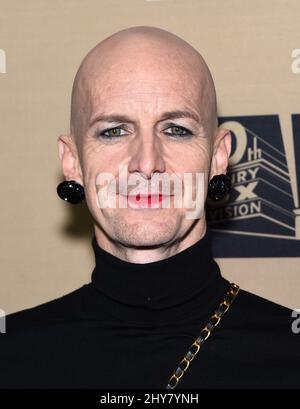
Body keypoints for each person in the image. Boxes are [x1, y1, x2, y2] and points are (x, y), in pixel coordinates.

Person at [0, 26, 299, 389]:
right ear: (73, 161)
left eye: (175, 130)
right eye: (114, 131)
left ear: (218, 157)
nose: (146, 162)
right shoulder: (11, 356)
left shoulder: (289, 354)